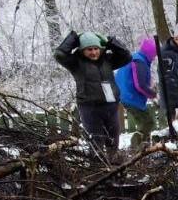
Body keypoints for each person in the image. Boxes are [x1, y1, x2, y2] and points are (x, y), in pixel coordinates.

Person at [54, 30, 132, 160]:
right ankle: (98, 170)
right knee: (96, 142)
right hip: (89, 108)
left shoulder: (107, 60)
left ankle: (115, 168)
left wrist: (110, 41)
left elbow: (126, 56)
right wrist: (74, 37)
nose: (94, 52)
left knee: (113, 140)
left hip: (110, 106)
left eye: (96, 48)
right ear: (82, 50)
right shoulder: (76, 63)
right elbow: (59, 54)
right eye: (89, 49)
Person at [115, 36, 158, 148]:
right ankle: (137, 147)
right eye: (154, 55)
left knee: (146, 122)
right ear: (150, 53)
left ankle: (144, 146)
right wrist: (153, 95)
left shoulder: (136, 58)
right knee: (147, 122)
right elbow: (140, 85)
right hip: (131, 97)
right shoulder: (140, 62)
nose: (154, 58)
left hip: (126, 96)